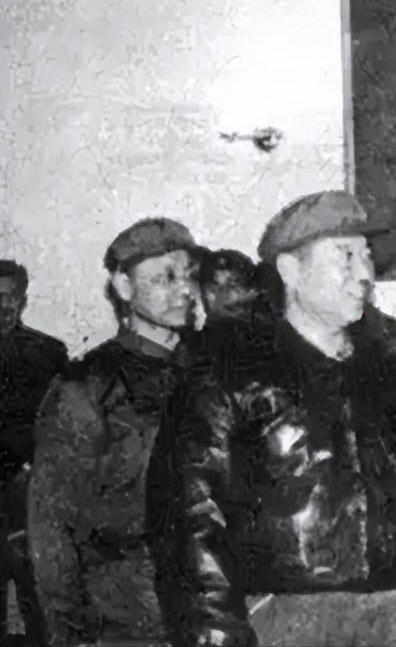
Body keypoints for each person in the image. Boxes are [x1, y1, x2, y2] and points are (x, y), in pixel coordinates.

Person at [170, 190, 396, 647]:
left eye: (367, 255)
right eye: (345, 255)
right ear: (290, 270)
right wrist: (217, 636)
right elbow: (196, 521)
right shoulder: (227, 375)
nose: (364, 273)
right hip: (278, 621)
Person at [27, 218, 202, 646]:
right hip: (128, 614)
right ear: (124, 286)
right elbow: (52, 527)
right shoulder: (88, 387)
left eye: (189, 275)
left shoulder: (209, 370)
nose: (184, 290)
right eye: (164, 278)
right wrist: (69, 636)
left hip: (211, 606)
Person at [0, 260, 67, 643]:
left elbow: (63, 427)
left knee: (38, 597)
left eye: (11, 296)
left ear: (23, 301)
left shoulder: (48, 354)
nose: (3, 305)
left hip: (29, 492)